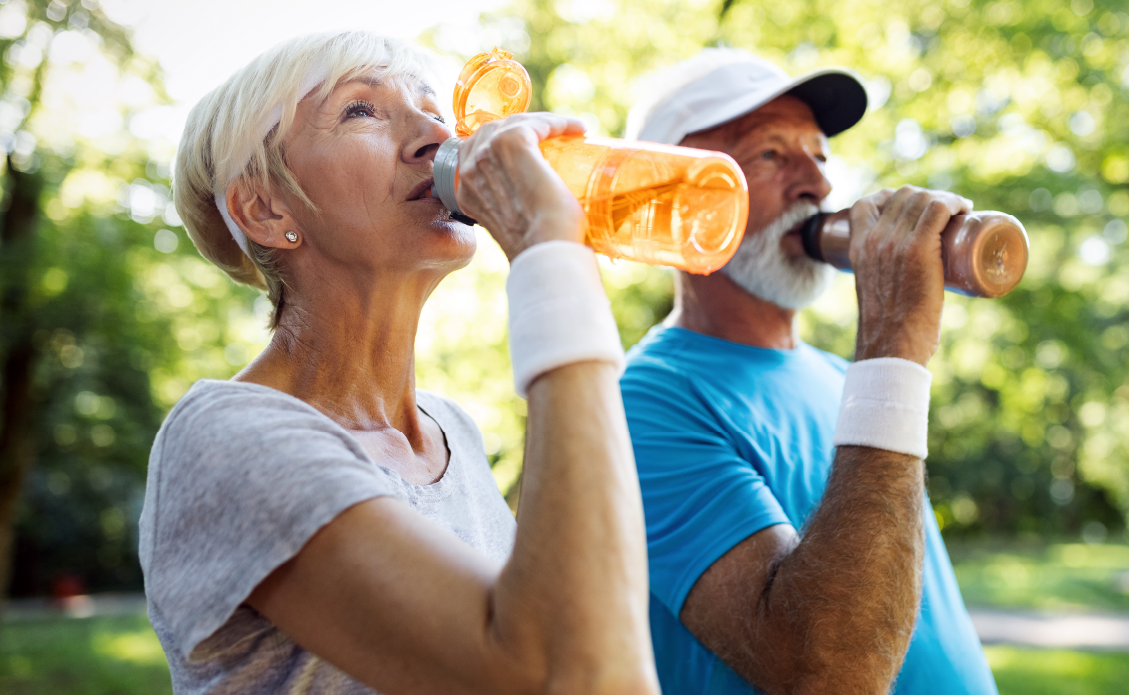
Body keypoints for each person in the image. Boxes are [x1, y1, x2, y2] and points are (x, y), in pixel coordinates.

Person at [140, 31, 658, 695]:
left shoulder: (453, 432)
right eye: (361, 111)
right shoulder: (226, 439)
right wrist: (550, 255)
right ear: (267, 208)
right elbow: (561, 669)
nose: (435, 136)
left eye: (434, 110)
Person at [618, 49, 998, 694]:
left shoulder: (842, 377)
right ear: (672, 201)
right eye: (771, 154)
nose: (817, 186)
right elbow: (826, 672)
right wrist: (894, 344)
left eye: (818, 156)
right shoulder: (643, 402)